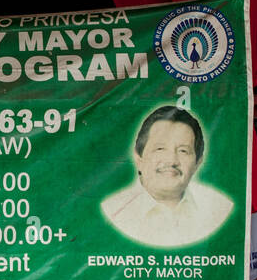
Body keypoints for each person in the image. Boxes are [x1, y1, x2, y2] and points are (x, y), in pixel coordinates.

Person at [100, 105, 233, 247]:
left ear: (198, 162)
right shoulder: (113, 212)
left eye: (183, 151)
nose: (171, 160)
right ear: (138, 158)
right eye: (160, 149)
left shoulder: (220, 210)